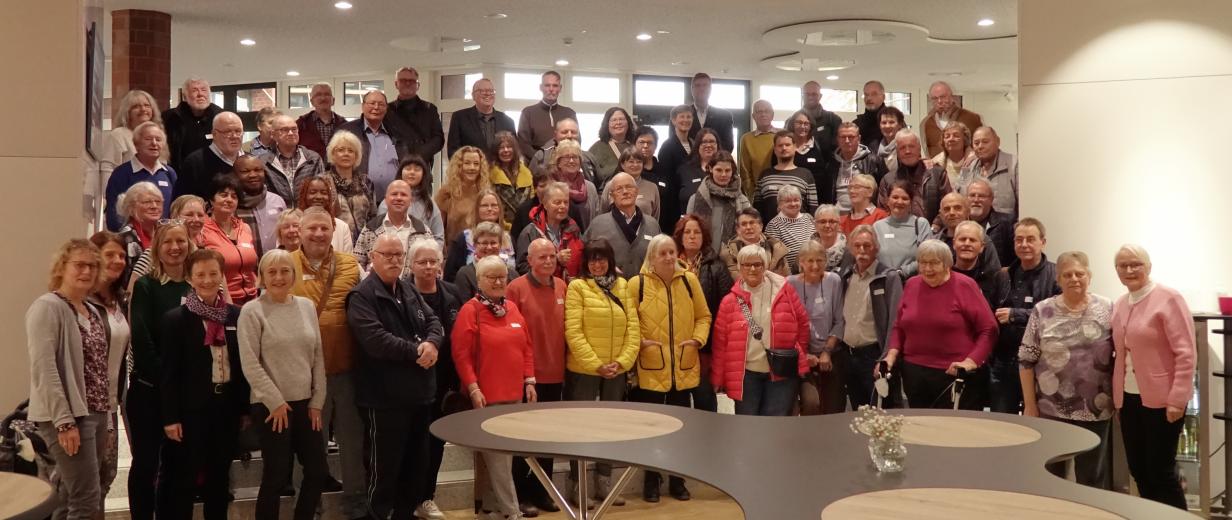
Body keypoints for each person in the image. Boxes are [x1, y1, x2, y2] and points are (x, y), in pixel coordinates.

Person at [346, 234, 445, 520]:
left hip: (419, 394)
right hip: (383, 399)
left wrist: (433, 343)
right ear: (372, 258)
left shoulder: (408, 289)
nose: (394, 260)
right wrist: (418, 350)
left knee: (416, 467)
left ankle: (405, 514)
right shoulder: (361, 297)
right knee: (384, 470)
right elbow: (376, 341)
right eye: (387, 255)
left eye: (398, 255)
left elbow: (434, 322)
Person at [238, 249, 328, 520]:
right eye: (272, 272)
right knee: (276, 476)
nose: (278, 277)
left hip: (305, 404)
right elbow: (250, 363)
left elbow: (317, 356)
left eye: (284, 271)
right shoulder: (252, 311)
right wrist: (275, 402)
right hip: (271, 407)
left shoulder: (306, 306)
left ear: (293, 274)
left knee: (316, 471)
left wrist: (317, 400)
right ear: (262, 277)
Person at [159, 248, 248, 520]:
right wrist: (171, 417)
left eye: (213, 273)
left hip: (226, 406)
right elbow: (169, 373)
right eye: (200, 274)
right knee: (186, 477)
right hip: (191, 410)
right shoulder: (176, 319)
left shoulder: (237, 315)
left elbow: (243, 365)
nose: (207, 280)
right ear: (190, 277)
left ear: (222, 275)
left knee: (219, 477)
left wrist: (244, 408)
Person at [290, 208, 367, 518]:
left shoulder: (351, 265)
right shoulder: (284, 264)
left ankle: (356, 505)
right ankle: (308, 506)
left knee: (352, 441)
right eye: (313, 229)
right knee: (309, 446)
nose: (319, 234)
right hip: (303, 375)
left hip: (346, 368)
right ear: (300, 231)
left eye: (325, 228)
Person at [26, 239, 112, 519]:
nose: (86, 271)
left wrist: (108, 419)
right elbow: (44, 368)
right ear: (62, 267)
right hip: (69, 417)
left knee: (67, 495)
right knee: (86, 499)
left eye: (92, 265)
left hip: (96, 412)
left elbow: (100, 369)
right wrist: (64, 422)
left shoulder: (92, 310)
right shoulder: (48, 307)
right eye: (79, 264)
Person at [451, 255, 537, 520]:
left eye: (503, 276)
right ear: (479, 281)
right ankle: (513, 513)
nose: (499, 281)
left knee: (501, 458)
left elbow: (526, 347)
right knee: (500, 460)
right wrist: (474, 388)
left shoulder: (512, 308)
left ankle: (489, 508)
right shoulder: (471, 310)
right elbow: (461, 354)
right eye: (492, 277)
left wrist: (530, 380)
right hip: (486, 399)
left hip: (515, 396)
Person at [1019, 251, 1113, 489]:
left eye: (1079, 273)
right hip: (1050, 408)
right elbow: (1026, 359)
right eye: (1067, 275)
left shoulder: (1108, 308)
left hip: (1095, 409)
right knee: (1051, 476)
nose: (1074, 279)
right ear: (1058, 280)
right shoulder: (1042, 310)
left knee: (1091, 478)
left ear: (1089, 276)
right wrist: (1030, 406)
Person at [1111, 244, 1195, 510]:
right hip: (1129, 398)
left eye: (1135, 264)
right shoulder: (1121, 303)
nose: (1129, 270)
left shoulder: (1169, 298)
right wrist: (1118, 399)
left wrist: (1177, 400)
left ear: (1148, 267)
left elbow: (1186, 353)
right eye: (1123, 265)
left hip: (1162, 401)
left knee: (1161, 471)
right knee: (1139, 470)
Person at [628, 235, 712, 502]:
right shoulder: (636, 284)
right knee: (652, 428)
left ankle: (678, 480)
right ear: (652, 257)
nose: (668, 257)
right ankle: (651, 481)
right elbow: (630, 319)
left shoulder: (690, 281)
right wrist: (641, 342)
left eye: (671, 252)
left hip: (684, 367)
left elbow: (704, 316)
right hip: (651, 367)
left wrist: (697, 339)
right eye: (662, 253)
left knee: (680, 428)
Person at [125, 223, 194, 520]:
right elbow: (141, 340)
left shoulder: (195, 286)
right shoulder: (146, 286)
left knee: (178, 467)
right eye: (168, 242)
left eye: (181, 241)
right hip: (149, 390)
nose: (175, 247)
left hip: (185, 394)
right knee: (146, 464)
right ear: (156, 247)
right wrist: (168, 382)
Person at [564, 238, 640, 505]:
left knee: (610, 428)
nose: (597, 264)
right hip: (585, 369)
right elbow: (573, 332)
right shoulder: (577, 287)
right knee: (580, 429)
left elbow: (634, 328)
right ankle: (578, 486)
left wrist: (622, 362)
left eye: (602, 258)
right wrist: (596, 364)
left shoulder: (622, 286)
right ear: (585, 262)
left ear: (610, 260)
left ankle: (604, 483)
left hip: (617, 370)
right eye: (592, 259)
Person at [881, 240, 997, 409]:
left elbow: (989, 329)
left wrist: (971, 361)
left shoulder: (965, 285)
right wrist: (890, 356)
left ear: (947, 264)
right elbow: (899, 326)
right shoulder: (912, 284)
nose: (927, 269)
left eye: (934, 263)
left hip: (954, 373)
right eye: (923, 263)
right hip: (914, 373)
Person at [505, 239, 571, 510]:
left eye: (552, 256)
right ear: (529, 260)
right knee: (524, 440)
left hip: (556, 374)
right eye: (541, 257)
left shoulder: (562, 286)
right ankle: (521, 495)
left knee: (548, 438)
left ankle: (544, 492)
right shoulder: (515, 288)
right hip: (528, 377)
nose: (547, 261)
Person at [405, 238, 466, 520]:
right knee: (411, 442)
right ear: (412, 264)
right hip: (411, 380)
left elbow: (461, 338)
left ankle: (427, 498)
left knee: (436, 443)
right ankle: (406, 499)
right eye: (422, 262)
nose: (429, 267)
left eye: (433, 261)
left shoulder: (453, 293)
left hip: (443, 382)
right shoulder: (401, 293)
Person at [713, 243, 810, 416]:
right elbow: (721, 343)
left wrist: (798, 354)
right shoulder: (729, 302)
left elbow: (802, 323)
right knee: (747, 424)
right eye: (746, 264)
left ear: (765, 266)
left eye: (757, 264)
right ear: (739, 267)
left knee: (774, 424)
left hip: (781, 373)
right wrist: (718, 378)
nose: (752, 269)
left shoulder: (784, 291)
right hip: (746, 375)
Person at [993, 218, 1061, 415]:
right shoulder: (1003, 275)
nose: (1024, 245)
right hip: (1005, 361)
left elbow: (1057, 314)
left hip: (1042, 362)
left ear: (1043, 242)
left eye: (1030, 239)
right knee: (1001, 424)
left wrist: (1016, 315)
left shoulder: (1057, 274)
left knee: (1041, 423)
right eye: (1019, 240)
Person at [87, 232, 131, 512]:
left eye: (122, 256)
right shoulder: (80, 301)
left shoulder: (119, 300)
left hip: (111, 404)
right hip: (87, 409)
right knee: (85, 485)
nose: (117, 261)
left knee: (106, 478)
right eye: (110, 254)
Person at [839, 225, 903, 409]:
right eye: (857, 246)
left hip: (874, 356)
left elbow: (895, 322)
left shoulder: (888, 277)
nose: (862, 250)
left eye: (867, 245)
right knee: (859, 412)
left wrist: (884, 357)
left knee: (882, 412)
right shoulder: (846, 277)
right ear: (851, 249)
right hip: (849, 356)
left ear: (876, 248)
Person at [674, 215, 733, 413]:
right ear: (679, 236)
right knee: (678, 402)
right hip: (676, 346)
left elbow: (725, 309)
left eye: (697, 232)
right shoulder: (668, 264)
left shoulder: (716, 266)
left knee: (704, 398)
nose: (692, 236)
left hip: (705, 346)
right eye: (687, 232)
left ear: (704, 236)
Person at [336, 90, 410, 201]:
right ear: (363, 106)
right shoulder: (346, 131)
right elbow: (332, 164)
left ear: (386, 109)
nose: (376, 107)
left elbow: (407, 162)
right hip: (357, 200)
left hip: (393, 200)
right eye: (372, 103)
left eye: (381, 104)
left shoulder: (397, 132)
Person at [584, 172, 662, 278]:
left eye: (629, 187)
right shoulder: (597, 225)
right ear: (612, 196)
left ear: (636, 191)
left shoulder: (652, 224)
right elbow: (585, 259)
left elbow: (660, 258)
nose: (625, 192)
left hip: (646, 289)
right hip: (608, 289)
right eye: (619, 189)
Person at [354, 179, 434, 277]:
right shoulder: (370, 229)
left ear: (411, 200)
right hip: (376, 290)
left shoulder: (423, 232)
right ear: (385, 199)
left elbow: (432, 264)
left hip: (413, 290)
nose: (399, 198)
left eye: (404, 195)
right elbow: (357, 264)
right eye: (394, 194)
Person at [105, 122, 174, 232]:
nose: (154, 143)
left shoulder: (169, 173)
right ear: (136, 144)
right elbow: (113, 214)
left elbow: (175, 210)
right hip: (132, 239)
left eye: (158, 139)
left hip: (163, 239)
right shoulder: (121, 173)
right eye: (148, 139)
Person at [201, 175, 259, 304]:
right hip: (222, 302)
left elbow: (252, 269)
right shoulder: (203, 231)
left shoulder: (245, 228)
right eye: (223, 195)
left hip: (253, 300)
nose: (229, 199)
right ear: (211, 200)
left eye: (234, 196)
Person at [876, 129, 952, 223]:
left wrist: (935, 226)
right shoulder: (888, 180)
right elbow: (883, 211)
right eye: (902, 148)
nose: (907, 151)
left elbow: (948, 204)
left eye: (911, 146)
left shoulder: (937, 174)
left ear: (919, 148)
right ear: (897, 152)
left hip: (933, 232)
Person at [444, 190, 517, 283]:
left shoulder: (509, 238)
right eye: (485, 205)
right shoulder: (463, 238)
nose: (490, 209)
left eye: (494, 205)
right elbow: (450, 275)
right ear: (477, 209)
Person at [516, 182, 584, 280]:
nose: (563, 206)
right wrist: (555, 260)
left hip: (571, 290)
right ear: (545, 204)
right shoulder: (530, 232)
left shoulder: (574, 229)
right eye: (557, 202)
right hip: (541, 289)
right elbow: (522, 268)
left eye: (566, 202)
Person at [687, 151, 750, 252]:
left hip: (733, 259)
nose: (723, 174)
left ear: (732, 171)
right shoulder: (695, 199)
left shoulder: (742, 201)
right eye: (719, 170)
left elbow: (749, 230)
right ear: (711, 169)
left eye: (727, 170)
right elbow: (689, 233)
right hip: (701, 258)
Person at [100, 89, 162, 191]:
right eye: (136, 106)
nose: (143, 109)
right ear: (127, 112)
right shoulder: (119, 135)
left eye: (147, 105)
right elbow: (107, 169)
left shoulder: (158, 136)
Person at [174, 111, 243, 201]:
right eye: (227, 132)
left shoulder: (251, 161)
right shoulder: (195, 162)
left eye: (238, 131)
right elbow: (182, 203)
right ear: (214, 134)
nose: (234, 136)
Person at [258, 114, 326, 206]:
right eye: (285, 130)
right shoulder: (263, 162)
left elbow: (323, 190)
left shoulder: (313, 158)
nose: (291, 133)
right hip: (277, 216)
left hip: (307, 214)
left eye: (294, 129)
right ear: (273, 135)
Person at [379, 155, 446, 246]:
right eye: (408, 168)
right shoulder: (387, 203)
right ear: (401, 172)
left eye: (417, 169)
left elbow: (438, 238)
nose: (412, 172)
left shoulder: (430, 205)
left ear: (423, 174)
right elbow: (378, 235)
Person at [324, 130, 377, 242]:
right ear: (333, 154)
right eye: (341, 150)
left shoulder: (366, 182)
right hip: (333, 241)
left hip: (364, 242)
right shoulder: (323, 182)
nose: (346, 154)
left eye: (351, 150)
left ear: (356, 156)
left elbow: (373, 216)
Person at [388, 66, 446, 168]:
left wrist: (419, 156)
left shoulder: (430, 109)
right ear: (396, 84)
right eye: (403, 80)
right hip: (394, 166)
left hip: (422, 165)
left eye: (412, 81)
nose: (407, 83)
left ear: (418, 85)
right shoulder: (387, 110)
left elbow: (438, 139)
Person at [163, 77, 224, 173]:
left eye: (204, 90)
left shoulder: (221, 117)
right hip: (180, 176)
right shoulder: (170, 118)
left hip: (215, 177)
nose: (200, 94)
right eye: (194, 90)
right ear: (185, 96)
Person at [873, 181, 933, 277]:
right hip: (882, 282)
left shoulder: (921, 224)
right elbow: (873, 258)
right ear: (887, 200)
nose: (899, 202)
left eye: (905, 198)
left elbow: (928, 257)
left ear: (911, 202)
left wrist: (901, 273)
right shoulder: (877, 226)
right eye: (895, 197)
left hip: (910, 281)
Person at [755, 130, 818, 220]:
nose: (784, 148)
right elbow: (757, 208)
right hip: (769, 232)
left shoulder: (806, 174)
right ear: (775, 149)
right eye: (780, 145)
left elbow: (813, 208)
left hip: (800, 232)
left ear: (795, 147)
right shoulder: (765, 175)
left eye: (787, 145)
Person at [233, 154, 288, 256]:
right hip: (246, 264)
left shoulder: (277, 201)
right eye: (245, 171)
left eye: (258, 170)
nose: (253, 175)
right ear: (235, 175)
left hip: (276, 262)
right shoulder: (232, 205)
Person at [436, 146, 491, 246]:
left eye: (476, 164)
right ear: (459, 166)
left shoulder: (486, 193)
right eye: (467, 163)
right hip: (453, 252)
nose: (472, 168)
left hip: (482, 251)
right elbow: (438, 229)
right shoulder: (446, 193)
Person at [951, 221, 1009, 315]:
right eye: (962, 239)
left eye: (972, 240)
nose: (967, 243)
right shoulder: (944, 276)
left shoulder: (994, 278)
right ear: (954, 243)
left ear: (982, 247)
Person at [961, 126, 1019, 220]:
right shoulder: (967, 167)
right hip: (973, 228)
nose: (980, 146)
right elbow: (959, 196)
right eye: (976, 143)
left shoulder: (1014, 164)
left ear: (998, 142)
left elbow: (1024, 203)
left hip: (1006, 228)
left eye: (985, 142)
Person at [448, 77, 516, 157]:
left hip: (500, 169)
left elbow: (514, 152)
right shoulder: (459, 118)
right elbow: (453, 151)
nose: (487, 94)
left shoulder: (508, 121)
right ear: (473, 96)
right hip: (471, 169)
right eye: (482, 91)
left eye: (491, 91)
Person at [114, 182, 165, 287]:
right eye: (147, 202)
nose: (154, 206)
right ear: (131, 208)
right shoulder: (124, 238)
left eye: (158, 202)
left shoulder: (165, 233)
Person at [518, 70, 578, 157]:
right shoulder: (528, 112)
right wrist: (541, 161)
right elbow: (523, 144)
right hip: (536, 165)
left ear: (560, 88)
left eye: (555, 85)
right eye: (547, 85)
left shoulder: (569, 113)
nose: (551, 89)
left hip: (565, 163)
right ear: (541, 87)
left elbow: (576, 141)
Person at [832, 122, 885, 213]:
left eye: (851, 137)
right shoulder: (832, 163)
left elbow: (883, 191)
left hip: (864, 215)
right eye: (843, 137)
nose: (847, 140)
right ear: (838, 139)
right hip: (837, 215)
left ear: (859, 139)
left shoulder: (872, 161)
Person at [720, 208, 789, 278]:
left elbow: (787, 279)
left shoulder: (776, 248)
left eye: (752, 223)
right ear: (738, 229)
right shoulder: (728, 253)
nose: (748, 227)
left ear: (761, 226)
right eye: (744, 224)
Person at [656, 105, 694, 232]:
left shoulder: (694, 144)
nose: (685, 120)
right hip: (674, 203)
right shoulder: (667, 147)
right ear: (673, 121)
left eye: (689, 116)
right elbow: (667, 181)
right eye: (682, 116)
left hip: (691, 200)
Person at [546, 139, 599, 230]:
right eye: (567, 157)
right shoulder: (551, 186)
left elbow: (597, 219)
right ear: (558, 162)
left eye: (575, 157)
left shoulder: (590, 187)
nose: (571, 161)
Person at [454, 221, 518, 298]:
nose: (489, 247)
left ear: (500, 245)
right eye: (484, 243)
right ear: (475, 245)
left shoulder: (512, 273)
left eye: (493, 243)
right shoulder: (465, 274)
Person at [922, 81, 984, 158]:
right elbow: (927, 150)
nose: (939, 101)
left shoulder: (972, 118)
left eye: (943, 97)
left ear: (951, 97)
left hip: (968, 167)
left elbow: (983, 144)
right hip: (938, 168)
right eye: (935, 98)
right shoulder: (926, 123)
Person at [526, 117, 598, 183]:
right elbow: (531, 185)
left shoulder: (588, 157)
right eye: (564, 132)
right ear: (555, 135)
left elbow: (599, 186)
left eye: (573, 132)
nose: (569, 136)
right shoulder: (541, 156)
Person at [296, 176, 354, 254]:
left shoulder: (342, 227)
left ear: (329, 197)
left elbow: (348, 260)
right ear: (304, 196)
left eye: (323, 193)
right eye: (313, 192)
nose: (319, 197)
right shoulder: (293, 225)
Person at [599, 146, 661, 220]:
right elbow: (603, 212)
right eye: (631, 161)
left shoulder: (652, 187)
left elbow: (655, 217)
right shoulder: (611, 185)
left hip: (645, 230)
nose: (635, 165)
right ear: (622, 164)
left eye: (639, 162)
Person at [786, 111, 834, 205]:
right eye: (799, 123)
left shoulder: (820, 146)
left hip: (816, 200)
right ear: (792, 124)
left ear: (811, 126)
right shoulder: (785, 146)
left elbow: (826, 175)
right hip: (790, 200)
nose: (802, 126)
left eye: (806, 123)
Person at [764, 185, 814, 273]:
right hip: (790, 276)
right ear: (779, 204)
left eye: (796, 200)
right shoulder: (774, 224)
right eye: (788, 201)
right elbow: (775, 257)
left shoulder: (809, 218)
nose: (793, 204)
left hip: (813, 270)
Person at [489, 131, 534, 230]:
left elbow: (532, 203)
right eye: (501, 147)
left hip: (525, 227)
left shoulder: (527, 173)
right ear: (496, 151)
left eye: (509, 147)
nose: (506, 150)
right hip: (499, 229)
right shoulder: (489, 175)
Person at [966, 178, 1015, 268]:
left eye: (981, 196)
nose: (976, 200)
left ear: (991, 199)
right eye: (972, 195)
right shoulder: (959, 226)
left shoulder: (1007, 224)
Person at [675, 128, 722, 213]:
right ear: (697, 146)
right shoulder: (684, 170)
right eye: (704, 142)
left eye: (712, 141)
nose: (708, 145)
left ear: (717, 145)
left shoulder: (726, 170)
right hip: (690, 223)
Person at [738, 99, 778, 198]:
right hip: (758, 194)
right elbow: (744, 171)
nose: (763, 114)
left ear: (772, 115)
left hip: (782, 191)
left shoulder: (782, 135)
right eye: (759, 111)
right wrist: (753, 194)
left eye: (766, 111)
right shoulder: (746, 139)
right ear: (753, 116)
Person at [296, 83, 348, 158]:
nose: (323, 98)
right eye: (318, 95)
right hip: (310, 169)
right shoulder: (301, 124)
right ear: (312, 101)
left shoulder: (344, 125)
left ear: (333, 100)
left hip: (338, 168)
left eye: (327, 94)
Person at [588, 106, 636, 186]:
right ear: (607, 124)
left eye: (621, 119)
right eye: (614, 120)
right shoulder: (596, 148)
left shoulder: (635, 146)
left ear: (628, 122)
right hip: (606, 194)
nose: (618, 123)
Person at [687, 73, 735, 151]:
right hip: (688, 162)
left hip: (716, 162)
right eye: (698, 85)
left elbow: (728, 146)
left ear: (710, 89)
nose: (702, 88)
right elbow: (676, 144)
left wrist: (709, 157)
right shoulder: (681, 115)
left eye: (705, 85)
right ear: (692, 89)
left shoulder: (725, 116)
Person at [800, 81, 842, 158]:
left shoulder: (833, 119)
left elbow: (839, 149)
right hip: (800, 167)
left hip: (826, 167)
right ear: (802, 96)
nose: (810, 97)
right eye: (807, 94)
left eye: (814, 94)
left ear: (820, 96)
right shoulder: (792, 121)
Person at [930, 122, 977, 188]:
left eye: (956, 136)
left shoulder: (975, 160)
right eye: (947, 136)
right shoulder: (936, 162)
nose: (951, 139)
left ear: (965, 139)